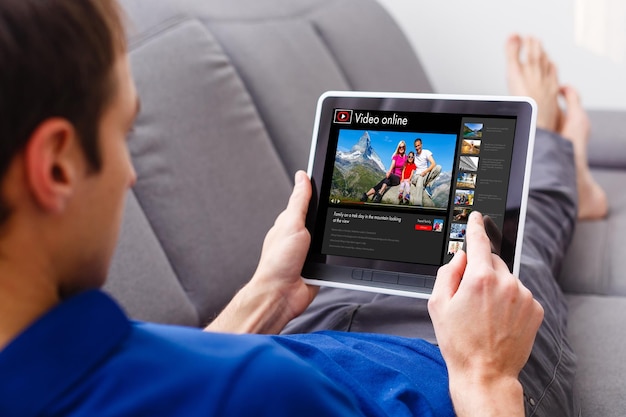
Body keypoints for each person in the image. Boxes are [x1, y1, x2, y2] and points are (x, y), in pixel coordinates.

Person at [0, 1, 601, 415]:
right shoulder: (265, 392)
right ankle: (557, 148)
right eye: (122, 134)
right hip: (443, 375)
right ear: (56, 165)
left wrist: (264, 297)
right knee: (520, 244)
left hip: (304, 330)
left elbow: (154, 379)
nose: (131, 173)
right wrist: (487, 378)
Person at [411, 138, 442, 204]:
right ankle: (418, 204)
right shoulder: (414, 156)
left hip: (425, 175)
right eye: (416, 146)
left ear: (421, 145)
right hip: (417, 176)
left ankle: (428, 185)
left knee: (438, 167)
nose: (417, 147)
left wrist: (425, 172)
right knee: (420, 178)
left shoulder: (426, 152)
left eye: (418, 145)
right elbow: (408, 164)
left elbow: (433, 163)